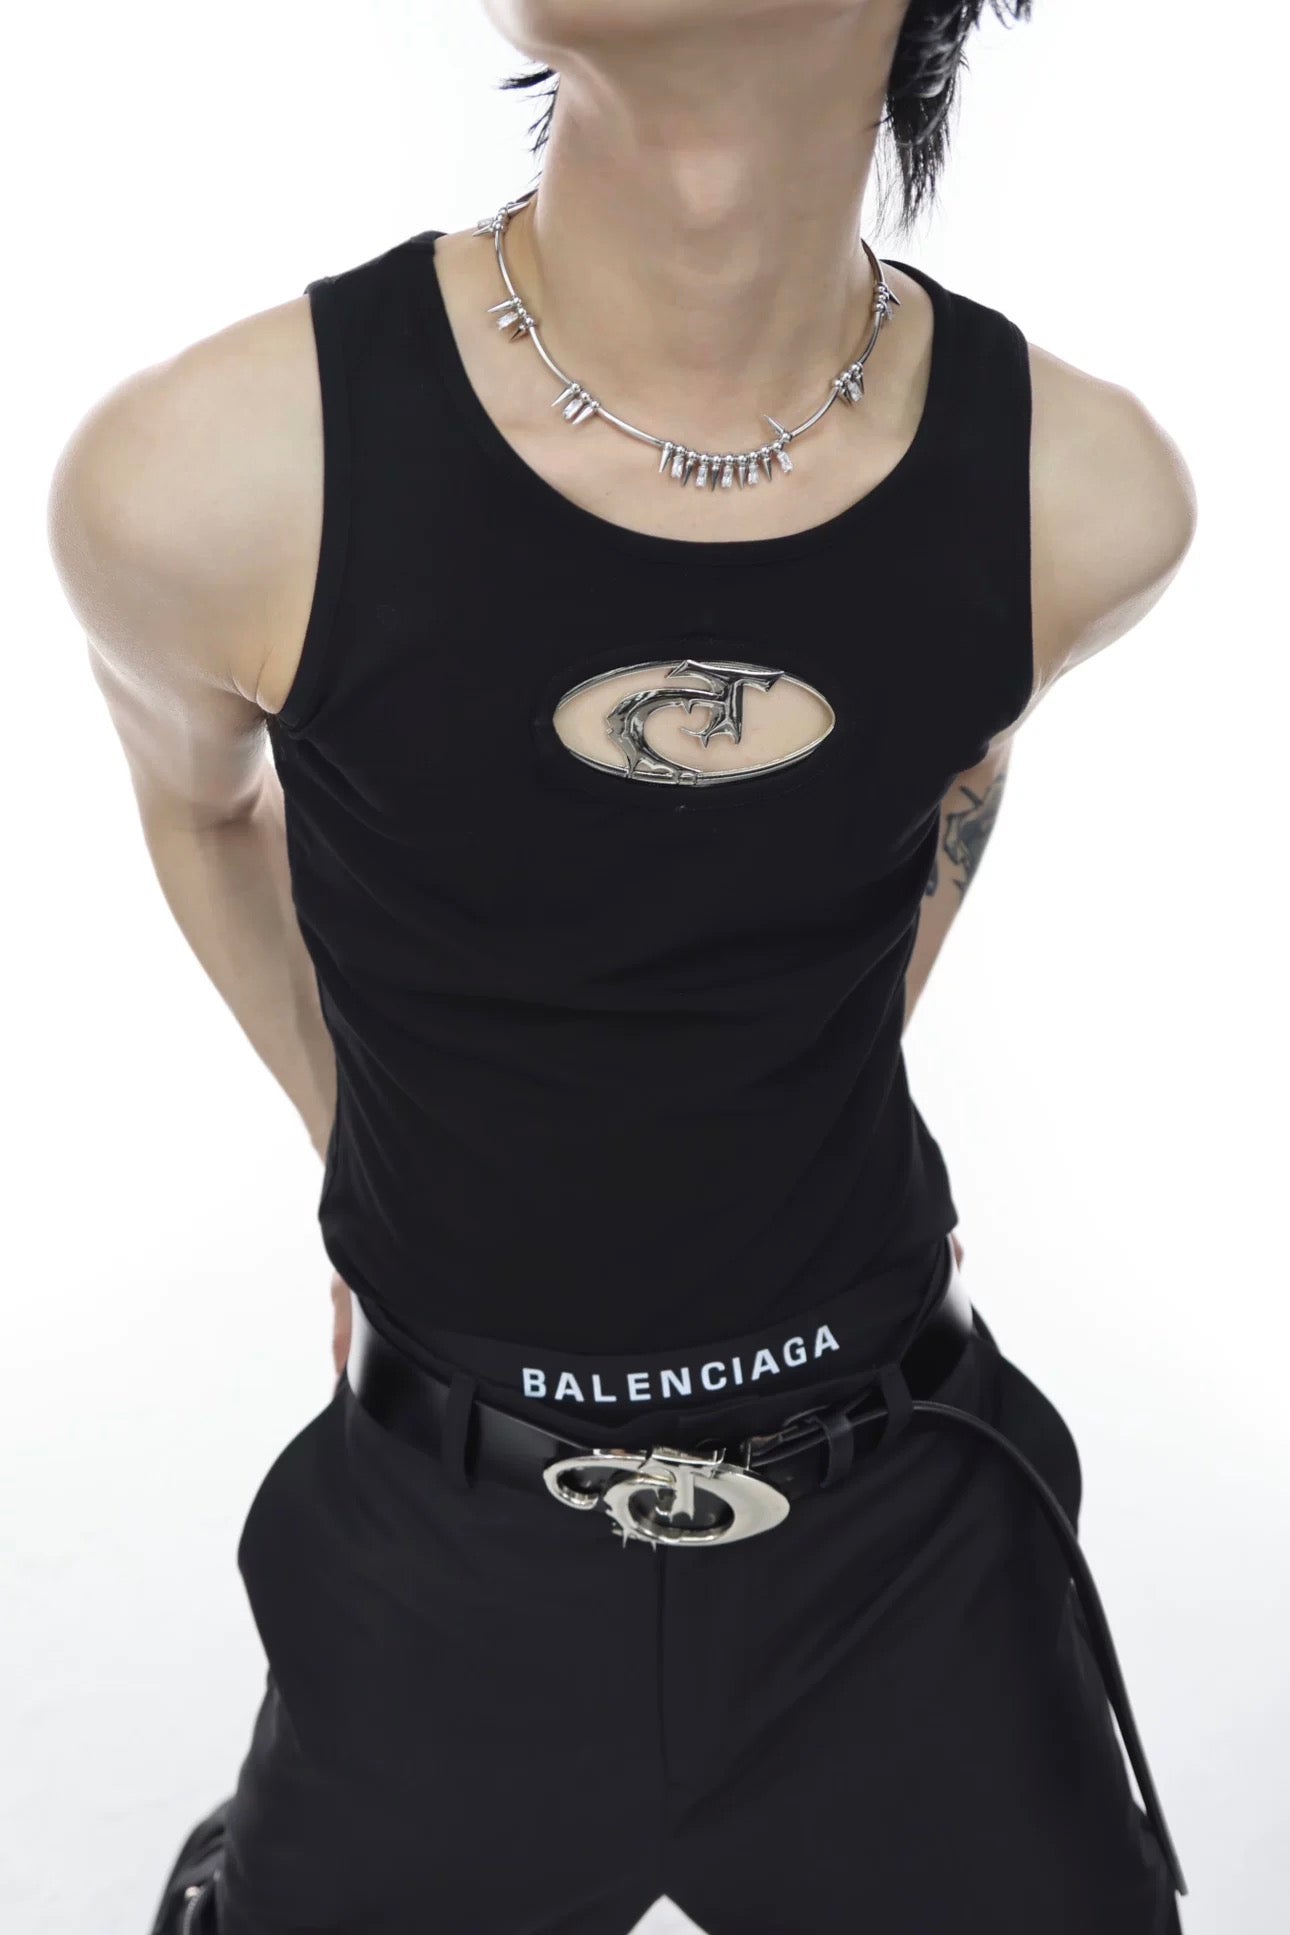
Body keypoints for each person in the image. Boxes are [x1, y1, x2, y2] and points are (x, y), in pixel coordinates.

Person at [47, 3, 1199, 1931]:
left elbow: (932, 803)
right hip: (440, 1543)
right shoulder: (212, 476)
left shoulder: (1078, 496)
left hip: (897, 1529)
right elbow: (207, 812)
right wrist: (382, 1151)